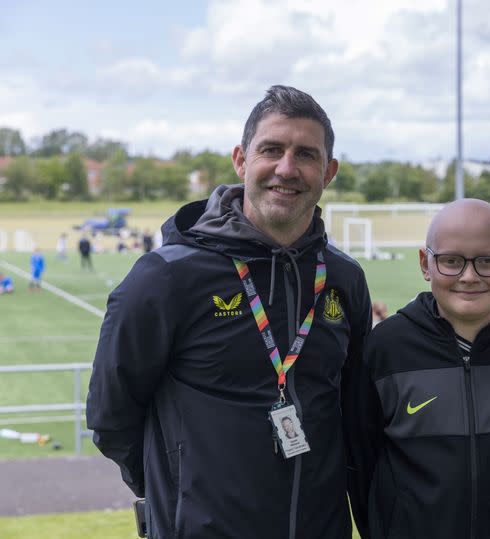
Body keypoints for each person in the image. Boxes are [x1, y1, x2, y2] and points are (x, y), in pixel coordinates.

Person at [86, 85, 372, 539]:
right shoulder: (165, 277)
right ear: (241, 160)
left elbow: (355, 405)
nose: (286, 168)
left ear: (329, 171)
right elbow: (110, 415)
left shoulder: (343, 277)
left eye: (306, 155)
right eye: (271, 150)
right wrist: (177, 495)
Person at [345, 198, 490, 539]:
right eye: (451, 261)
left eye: (488, 261)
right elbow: (361, 465)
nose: (469, 276)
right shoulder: (384, 349)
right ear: (425, 263)